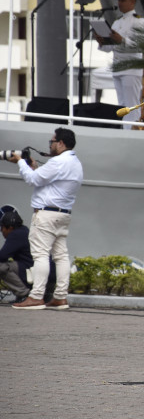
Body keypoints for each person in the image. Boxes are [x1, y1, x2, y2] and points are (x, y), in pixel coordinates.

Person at [9, 128, 83, 310]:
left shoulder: (58, 161)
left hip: (46, 215)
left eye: (52, 142)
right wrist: (34, 168)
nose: (50, 145)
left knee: (40, 255)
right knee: (61, 256)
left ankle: (36, 296)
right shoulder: (75, 163)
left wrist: (20, 162)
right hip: (63, 215)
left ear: (61, 143)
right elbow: (47, 181)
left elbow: (33, 180)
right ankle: (60, 297)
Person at [95, 0, 144, 129]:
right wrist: (103, 42)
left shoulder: (139, 22)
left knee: (132, 106)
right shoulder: (117, 22)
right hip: (118, 68)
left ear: (132, 1)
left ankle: (132, 133)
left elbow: (142, 45)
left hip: (131, 69)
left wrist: (122, 40)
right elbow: (110, 48)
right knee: (122, 106)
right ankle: (125, 131)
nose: (119, 3)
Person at [0, 206, 33, 303]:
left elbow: (2, 256)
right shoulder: (24, 230)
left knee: (2, 267)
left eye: (2, 227)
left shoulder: (15, 235)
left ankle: (23, 294)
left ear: (10, 227)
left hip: (31, 272)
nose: (1, 231)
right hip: (39, 274)